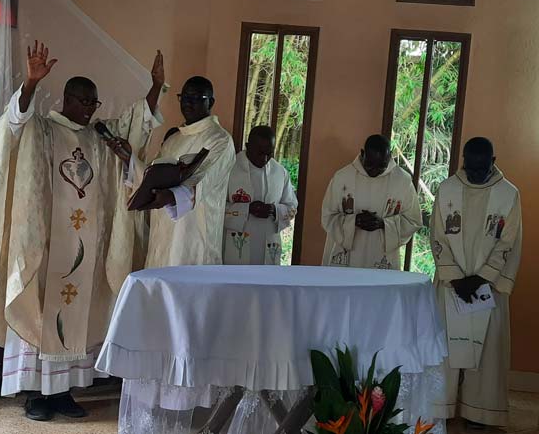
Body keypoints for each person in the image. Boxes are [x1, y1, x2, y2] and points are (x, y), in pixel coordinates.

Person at [0, 41, 165, 421]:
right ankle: (35, 394)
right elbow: (12, 125)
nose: (89, 109)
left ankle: (63, 392)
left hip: (85, 249)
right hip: (46, 244)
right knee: (39, 311)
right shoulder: (42, 129)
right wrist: (31, 84)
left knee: (76, 317)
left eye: (94, 103)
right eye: (84, 102)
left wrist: (153, 89)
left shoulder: (99, 137)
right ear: (67, 99)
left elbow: (135, 125)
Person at [431, 137, 522, 429]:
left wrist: (483, 278)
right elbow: (437, 236)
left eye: (482, 169)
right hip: (452, 284)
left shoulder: (508, 194)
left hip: (488, 287)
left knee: (487, 350)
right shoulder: (447, 190)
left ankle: (480, 412)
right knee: (446, 348)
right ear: (463, 160)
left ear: (493, 162)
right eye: (471, 168)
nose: (476, 174)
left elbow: (510, 241)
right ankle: (441, 405)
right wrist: (456, 278)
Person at [140, 76, 235, 268]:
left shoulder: (220, 139)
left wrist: (171, 196)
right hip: (163, 234)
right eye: (184, 97)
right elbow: (152, 174)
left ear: (211, 102)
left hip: (194, 237)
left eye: (196, 98)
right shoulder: (173, 139)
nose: (188, 103)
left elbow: (204, 179)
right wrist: (129, 160)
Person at [321, 134, 422, 269]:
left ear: (390, 156)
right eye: (370, 165)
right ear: (363, 154)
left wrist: (383, 224)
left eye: (381, 166)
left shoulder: (402, 181)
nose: (374, 171)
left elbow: (413, 221)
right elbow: (328, 216)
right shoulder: (342, 177)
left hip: (381, 254)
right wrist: (354, 221)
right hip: (347, 256)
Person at [223, 125, 297, 265]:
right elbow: (216, 206)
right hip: (237, 244)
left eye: (269, 153)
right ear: (248, 146)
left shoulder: (280, 172)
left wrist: (274, 210)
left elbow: (292, 207)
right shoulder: (229, 169)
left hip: (270, 243)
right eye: (260, 152)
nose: (264, 158)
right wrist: (247, 209)